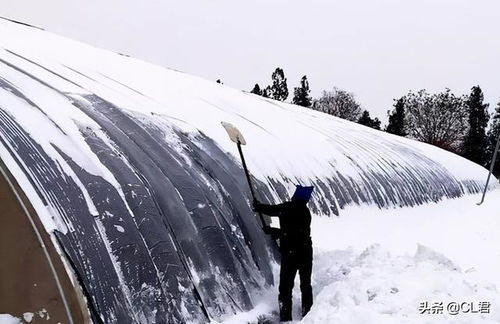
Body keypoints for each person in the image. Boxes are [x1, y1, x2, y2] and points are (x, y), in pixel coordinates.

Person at [253, 185, 314, 322]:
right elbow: (296, 232)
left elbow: (273, 211)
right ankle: (308, 315)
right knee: (306, 285)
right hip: (305, 252)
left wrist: (258, 206)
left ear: (296, 196)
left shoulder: (288, 207)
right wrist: (276, 231)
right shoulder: (305, 212)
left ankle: (286, 318)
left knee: (285, 288)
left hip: (291, 253)